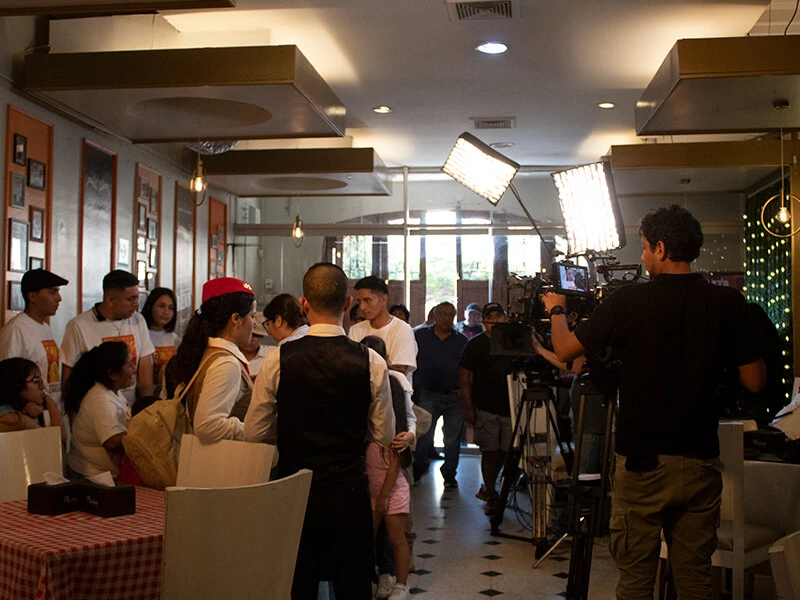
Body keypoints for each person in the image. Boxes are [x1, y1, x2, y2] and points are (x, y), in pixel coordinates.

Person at [542, 204, 766, 599]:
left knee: (635, 581)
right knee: (696, 580)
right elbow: (755, 380)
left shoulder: (629, 300)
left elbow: (564, 351)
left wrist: (556, 309)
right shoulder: (727, 303)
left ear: (661, 248)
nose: (644, 258)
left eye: (645, 248)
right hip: (700, 460)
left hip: (642, 463)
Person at [245, 262, 394, 600]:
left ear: (304, 304)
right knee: (353, 585)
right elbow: (384, 434)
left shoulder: (278, 358)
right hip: (348, 489)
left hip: (294, 488)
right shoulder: (371, 361)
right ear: (347, 304)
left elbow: (254, 431)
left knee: (299, 582)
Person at [168, 278, 256, 442]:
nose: (255, 324)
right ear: (236, 319)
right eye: (252, 316)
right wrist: (255, 430)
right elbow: (207, 425)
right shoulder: (226, 363)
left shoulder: (206, 351)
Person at [361, 335, 416, 600]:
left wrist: (383, 495)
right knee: (368, 538)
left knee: (395, 537)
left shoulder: (395, 384)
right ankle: (373, 577)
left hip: (390, 487)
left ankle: (398, 582)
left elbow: (407, 421)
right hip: (371, 486)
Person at [61, 270, 155, 412]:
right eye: (130, 299)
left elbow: (145, 374)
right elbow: (68, 381)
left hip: (128, 410)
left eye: (137, 298)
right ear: (110, 300)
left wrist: (147, 411)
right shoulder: (78, 326)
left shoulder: (138, 320)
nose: (136, 304)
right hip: (95, 411)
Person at [412, 301, 468, 488]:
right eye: (443, 314)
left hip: (454, 396)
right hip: (428, 393)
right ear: (434, 316)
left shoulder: (461, 341)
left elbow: (466, 368)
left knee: (452, 438)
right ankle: (419, 468)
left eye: (451, 314)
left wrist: (464, 390)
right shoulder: (420, 336)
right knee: (424, 435)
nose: (446, 318)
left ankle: (450, 474)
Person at [0, 269, 69, 412]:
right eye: (52, 292)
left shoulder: (45, 327)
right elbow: (6, 380)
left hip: (51, 411)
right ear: (32, 296)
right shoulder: (16, 329)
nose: (59, 298)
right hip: (30, 415)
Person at [64, 341, 135, 478]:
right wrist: (142, 434)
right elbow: (112, 442)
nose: (134, 369)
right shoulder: (100, 399)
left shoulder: (113, 392)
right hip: (90, 478)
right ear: (113, 374)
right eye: (130, 365)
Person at [349, 275, 417, 379]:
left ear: (384, 299)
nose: (362, 307)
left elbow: (399, 372)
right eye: (359, 301)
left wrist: (364, 365)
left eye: (367, 300)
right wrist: (384, 365)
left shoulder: (402, 330)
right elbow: (351, 367)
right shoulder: (356, 330)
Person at [0, 358, 66, 439]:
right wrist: (48, 401)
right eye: (36, 381)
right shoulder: (16, 420)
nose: (42, 387)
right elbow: (58, 438)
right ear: (17, 385)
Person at [141, 287, 179, 398]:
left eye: (171, 308)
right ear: (150, 306)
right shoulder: (141, 335)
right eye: (161, 306)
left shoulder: (175, 340)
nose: (166, 312)